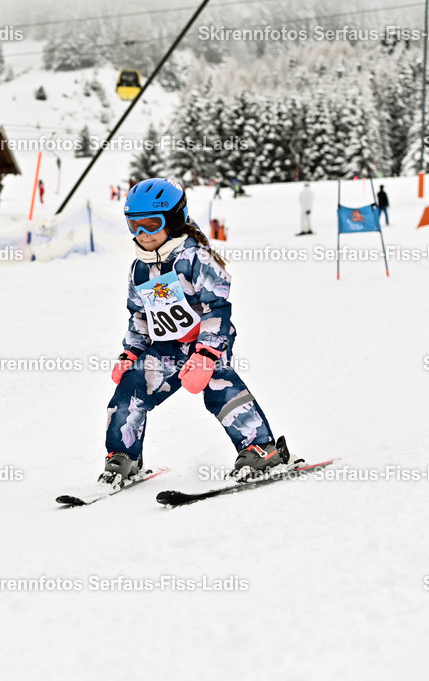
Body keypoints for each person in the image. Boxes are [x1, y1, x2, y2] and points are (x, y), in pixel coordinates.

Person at [100, 178, 295, 487]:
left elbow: (217, 308)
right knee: (131, 384)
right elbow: (139, 316)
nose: (141, 234)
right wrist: (130, 352)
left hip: (206, 341)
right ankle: (123, 457)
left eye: (151, 224)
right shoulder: (139, 269)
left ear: (174, 220)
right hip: (167, 346)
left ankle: (260, 448)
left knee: (218, 385)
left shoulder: (194, 259)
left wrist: (206, 354)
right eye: (133, 225)